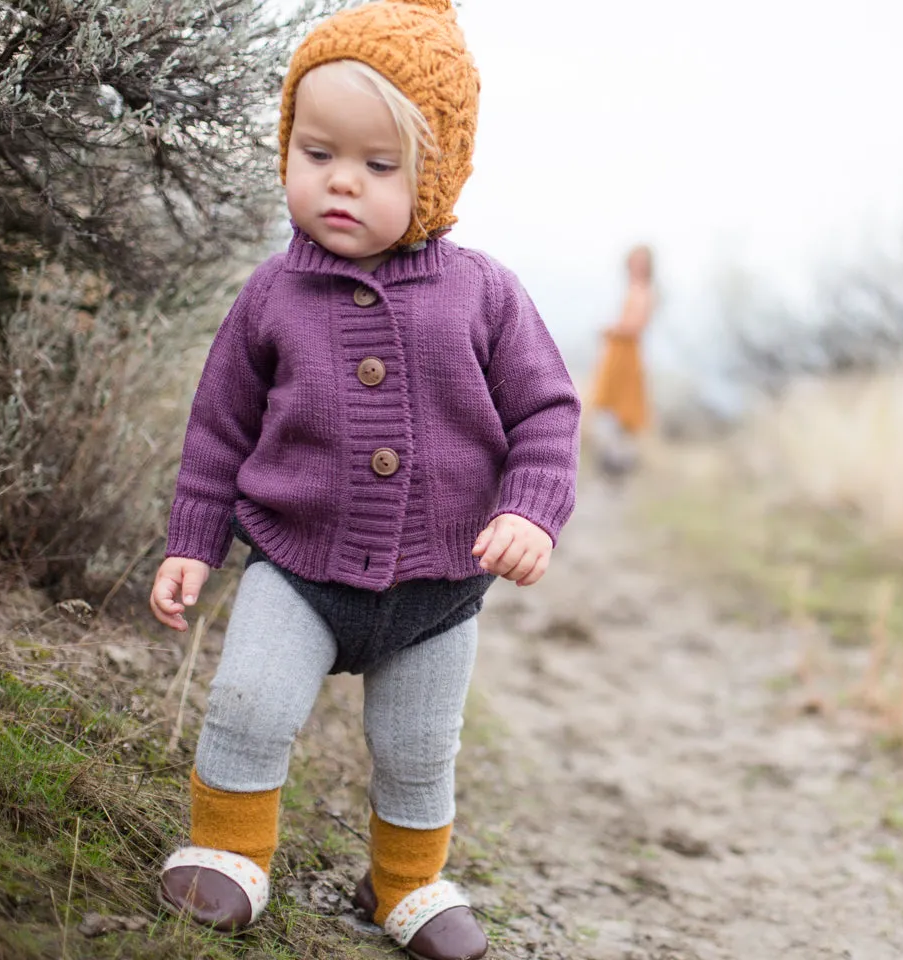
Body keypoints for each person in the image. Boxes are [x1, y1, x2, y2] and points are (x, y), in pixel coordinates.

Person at [146, 2, 581, 957]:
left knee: (419, 750)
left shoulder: (485, 292)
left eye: (380, 166)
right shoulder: (269, 295)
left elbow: (547, 414)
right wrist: (193, 543)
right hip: (295, 566)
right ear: (288, 149)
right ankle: (227, 853)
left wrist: (532, 511)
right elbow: (219, 430)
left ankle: (406, 885)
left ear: (436, 175)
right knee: (252, 703)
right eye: (318, 153)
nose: (343, 182)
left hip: (437, 587)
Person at [587, 244, 656, 479]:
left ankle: (619, 464)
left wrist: (611, 330)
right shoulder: (633, 289)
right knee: (609, 408)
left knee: (622, 410)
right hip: (618, 355)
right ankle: (612, 461)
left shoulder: (644, 291)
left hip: (626, 356)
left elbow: (635, 326)